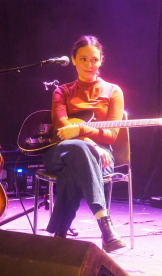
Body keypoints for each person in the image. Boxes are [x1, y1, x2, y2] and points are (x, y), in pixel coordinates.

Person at [42, 35, 126, 252]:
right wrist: (90, 142)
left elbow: (111, 136)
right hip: (62, 152)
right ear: (73, 60)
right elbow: (62, 129)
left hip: (102, 156)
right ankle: (105, 225)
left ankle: (60, 232)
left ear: (101, 60)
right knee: (79, 150)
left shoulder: (113, 91)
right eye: (83, 59)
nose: (90, 65)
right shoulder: (62, 91)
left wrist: (80, 131)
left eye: (94, 60)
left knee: (76, 167)